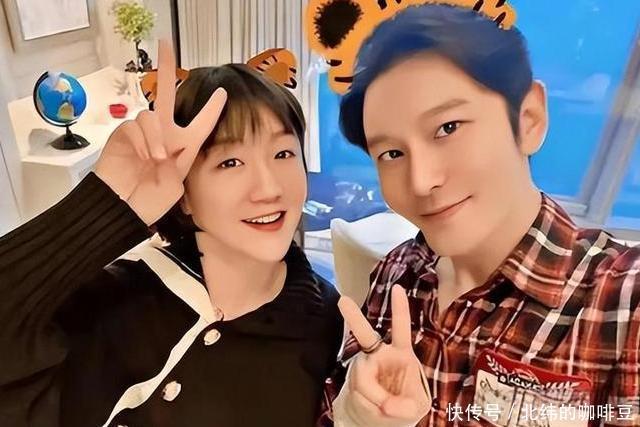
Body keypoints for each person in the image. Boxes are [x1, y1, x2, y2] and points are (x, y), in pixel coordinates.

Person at [306, 1, 640, 426]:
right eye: (391, 153)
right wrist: (355, 418)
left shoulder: (622, 305)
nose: (421, 181)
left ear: (529, 118)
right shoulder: (395, 275)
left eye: (448, 128)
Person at [0, 41, 344, 427]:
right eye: (231, 162)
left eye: (283, 154)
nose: (268, 188)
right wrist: (104, 205)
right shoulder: (117, 300)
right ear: (184, 195)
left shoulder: (327, 321)